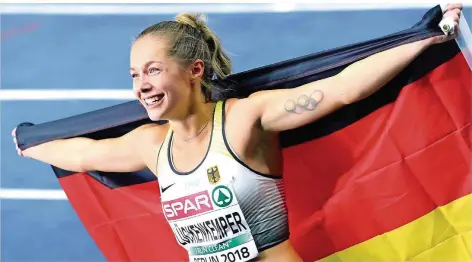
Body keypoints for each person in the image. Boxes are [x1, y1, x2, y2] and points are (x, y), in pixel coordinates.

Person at [12, 4, 463, 262]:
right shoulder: (152, 146)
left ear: (194, 71)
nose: (141, 86)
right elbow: (87, 155)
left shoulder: (245, 120)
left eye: (153, 70)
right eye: (134, 75)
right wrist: (31, 143)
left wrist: (423, 39)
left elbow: (339, 90)